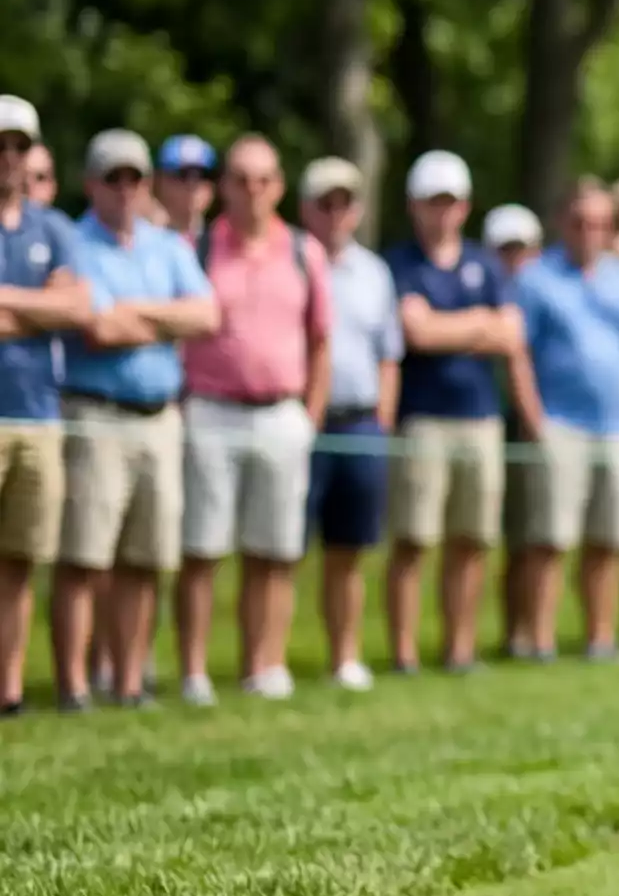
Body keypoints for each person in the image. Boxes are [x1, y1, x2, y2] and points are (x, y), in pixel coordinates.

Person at [56, 130, 216, 710]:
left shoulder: (167, 246)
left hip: (158, 418)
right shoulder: (74, 243)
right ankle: (75, 685)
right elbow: (96, 329)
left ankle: (129, 683)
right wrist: (165, 320)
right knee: (84, 558)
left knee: (144, 561)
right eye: (112, 178)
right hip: (96, 414)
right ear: (91, 184)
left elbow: (206, 314)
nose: (125, 189)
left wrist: (137, 313)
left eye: (135, 179)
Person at [177, 136, 331, 704]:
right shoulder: (197, 247)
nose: (252, 190)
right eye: (241, 178)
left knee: (275, 551)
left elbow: (321, 341)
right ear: (224, 186)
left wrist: (310, 416)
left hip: (280, 414)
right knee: (202, 549)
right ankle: (193, 672)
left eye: (263, 179)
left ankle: (264, 665)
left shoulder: (303, 252)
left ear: (280, 187)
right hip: (212, 409)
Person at [386, 153, 541, 674]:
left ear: (465, 207)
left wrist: (453, 327)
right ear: (414, 206)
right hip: (422, 417)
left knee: (471, 540)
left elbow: (513, 335)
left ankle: (460, 648)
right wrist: (479, 324)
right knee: (413, 540)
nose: (442, 212)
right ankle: (405, 652)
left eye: (450, 202)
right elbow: (417, 333)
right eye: (433, 202)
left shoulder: (486, 264)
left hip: (480, 417)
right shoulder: (402, 264)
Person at [516, 182, 619, 663]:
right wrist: (533, 418)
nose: (591, 232)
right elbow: (518, 351)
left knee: (607, 541)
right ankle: (539, 641)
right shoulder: (536, 277)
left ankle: (599, 639)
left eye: (602, 224)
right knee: (550, 540)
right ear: (562, 222)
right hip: (560, 424)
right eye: (581, 222)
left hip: (618, 427)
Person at [0, 98, 91, 717]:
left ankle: (7, 691)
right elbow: (55, 308)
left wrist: (9, 303)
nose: (9, 157)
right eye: (0, 145)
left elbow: (79, 310)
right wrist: (40, 304)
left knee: (19, 561)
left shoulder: (53, 227)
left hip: (38, 416)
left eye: (18, 145)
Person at [299, 158, 396, 690]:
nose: (336, 213)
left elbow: (389, 354)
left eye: (345, 203)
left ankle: (345, 656)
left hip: (360, 422)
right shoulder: (291, 259)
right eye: (325, 203)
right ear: (306, 208)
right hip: (303, 420)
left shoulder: (374, 271)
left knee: (349, 550)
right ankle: (267, 661)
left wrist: (382, 418)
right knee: (283, 549)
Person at [482, 205, 549, 658]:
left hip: (532, 426)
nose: (516, 258)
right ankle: (510, 633)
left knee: (532, 536)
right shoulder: (483, 287)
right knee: (499, 537)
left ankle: (529, 632)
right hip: (491, 420)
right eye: (506, 249)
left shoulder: (540, 292)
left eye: (522, 248)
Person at [153, 134, 216, 239]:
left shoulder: (223, 241)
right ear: (161, 181)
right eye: (183, 174)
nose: (193, 183)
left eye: (203, 175)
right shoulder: (141, 239)